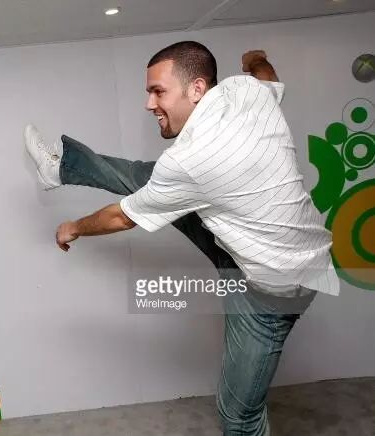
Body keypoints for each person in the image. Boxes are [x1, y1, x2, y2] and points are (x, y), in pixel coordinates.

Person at [24, 43, 339, 435]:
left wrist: (74, 227)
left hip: (272, 290)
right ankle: (59, 168)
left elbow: (121, 218)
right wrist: (256, 60)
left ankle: (60, 170)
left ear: (197, 89)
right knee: (148, 178)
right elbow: (269, 80)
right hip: (281, 252)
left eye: (158, 91)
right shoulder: (246, 92)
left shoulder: (193, 160)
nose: (148, 104)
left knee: (239, 415)